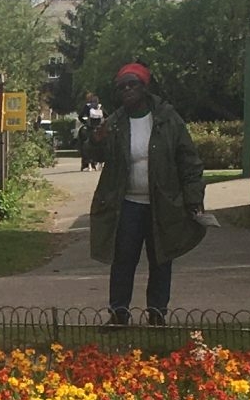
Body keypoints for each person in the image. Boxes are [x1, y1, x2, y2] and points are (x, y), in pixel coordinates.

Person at [86, 61, 205, 325]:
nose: (127, 90)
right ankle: (119, 314)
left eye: (132, 85)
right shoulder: (115, 122)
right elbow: (94, 155)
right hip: (127, 203)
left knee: (162, 258)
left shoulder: (166, 118)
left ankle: (157, 313)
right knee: (123, 260)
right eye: (122, 87)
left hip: (163, 203)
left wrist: (194, 198)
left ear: (144, 87)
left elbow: (189, 159)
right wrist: (96, 140)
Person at [76, 95, 103, 170]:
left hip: (98, 128)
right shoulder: (87, 107)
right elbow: (80, 117)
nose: (95, 104)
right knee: (84, 139)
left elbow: (107, 116)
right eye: (93, 102)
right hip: (89, 127)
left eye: (96, 102)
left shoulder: (100, 107)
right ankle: (86, 161)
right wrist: (85, 122)